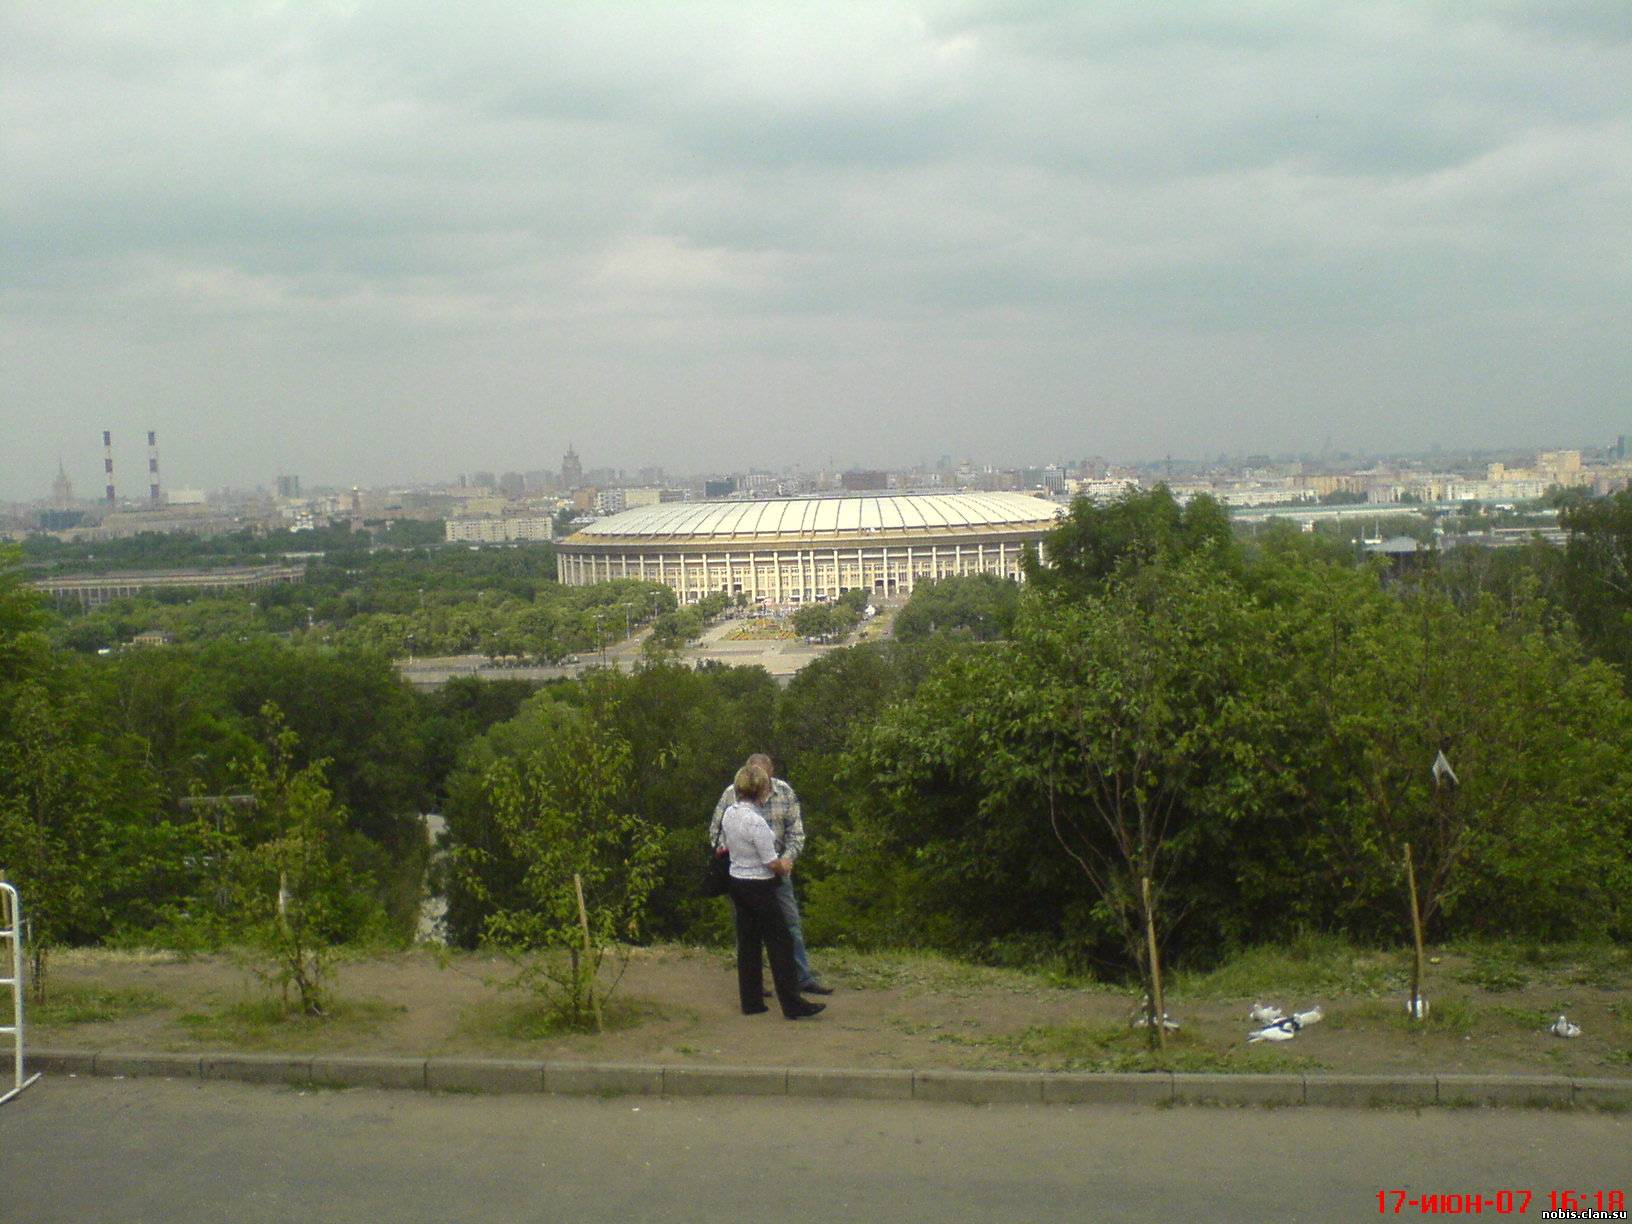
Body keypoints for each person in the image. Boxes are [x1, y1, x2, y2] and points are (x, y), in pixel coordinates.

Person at [708, 753, 831, 995]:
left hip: (776, 872)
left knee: (790, 924)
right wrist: (736, 855)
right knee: (748, 932)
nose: (758, 781)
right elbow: (716, 832)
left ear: (771, 772)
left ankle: (800, 977)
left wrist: (787, 859)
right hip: (744, 874)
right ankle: (756, 986)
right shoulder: (731, 796)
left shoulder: (784, 792)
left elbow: (796, 833)